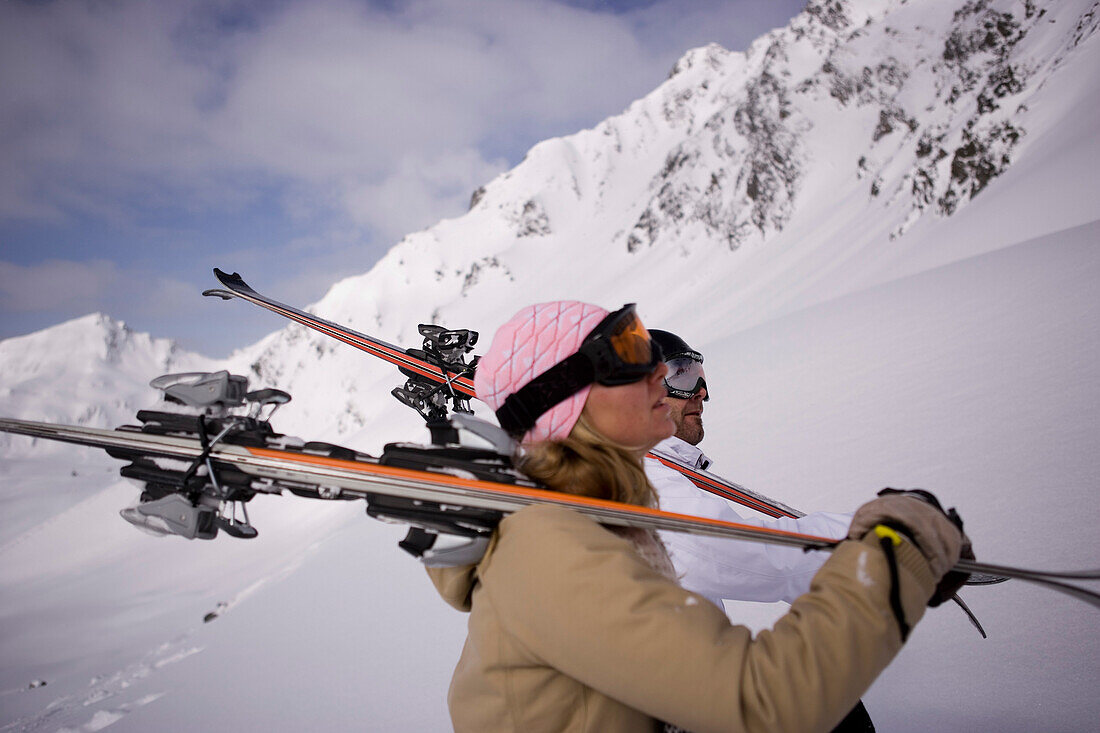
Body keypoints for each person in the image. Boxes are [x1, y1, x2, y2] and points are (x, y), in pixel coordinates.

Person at [428, 301, 968, 733]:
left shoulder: (598, 511)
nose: (658, 376)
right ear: (571, 403)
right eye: (627, 358)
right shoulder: (551, 542)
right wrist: (893, 558)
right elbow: (767, 703)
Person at [644, 329, 852, 608]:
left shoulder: (654, 471)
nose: (701, 392)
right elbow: (758, 559)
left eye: (698, 375)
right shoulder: (647, 483)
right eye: (681, 376)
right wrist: (871, 540)